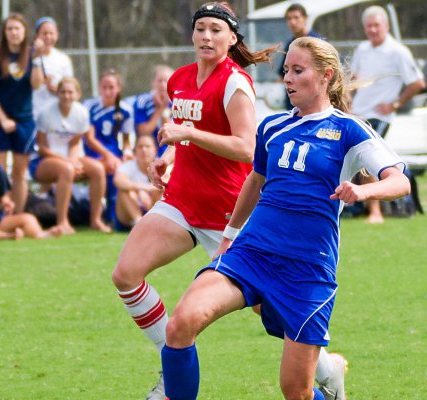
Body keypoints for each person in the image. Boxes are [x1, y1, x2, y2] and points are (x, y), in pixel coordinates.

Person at [162, 36, 409, 400]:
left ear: (325, 76)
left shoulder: (349, 129)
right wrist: (230, 234)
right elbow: (255, 181)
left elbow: (400, 181)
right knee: (180, 325)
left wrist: (363, 191)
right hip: (251, 253)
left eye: (297, 70)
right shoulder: (272, 126)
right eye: (286, 71)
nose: (287, 79)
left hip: (306, 269)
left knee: (296, 391)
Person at [108, 4, 273, 399]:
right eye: (200, 28)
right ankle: (173, 366)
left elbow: (246, 147)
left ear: (232, 39)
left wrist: (188, 135)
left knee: (271, 312)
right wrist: (168, 157)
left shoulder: (235, 83)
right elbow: (185, 137)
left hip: (227, 212)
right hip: (181, 202)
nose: (206, 36)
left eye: (216, 29)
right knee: (126, 275)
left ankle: (326, 370)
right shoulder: (180, 79)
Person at [349, 5, 425, 224]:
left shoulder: (397, 51)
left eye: (376, 25)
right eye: (369, 26)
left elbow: (417, 83)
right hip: (358, 113)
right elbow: (354, 77)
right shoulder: (363, 49)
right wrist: (347, 100)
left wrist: (395, 104)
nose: (372, 30)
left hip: (379, 116)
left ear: (386, 26)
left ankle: (376, 212)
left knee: (366, 157)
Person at [0, 12, 44, 215]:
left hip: (23, 120)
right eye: (10, 29)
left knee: (19, 172)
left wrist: (37, 60)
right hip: (0, 121)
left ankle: (18, 216)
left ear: (25, 32)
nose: (14, 33)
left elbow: (36, 84)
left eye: (17, 28)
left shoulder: (32, 56)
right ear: (4, 33)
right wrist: (3, 119)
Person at [33, 77, 108, 233]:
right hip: (45, 160)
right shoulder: (46, 113)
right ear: (57, 94)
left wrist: (74, 160)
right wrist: (69, 162)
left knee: (98, 169)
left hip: (69, 159)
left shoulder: (81, 112)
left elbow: (75, 143)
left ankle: (95, 220)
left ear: (77, 94)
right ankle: (62, 222)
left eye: (70, 92)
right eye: (62, 92)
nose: (66, 96)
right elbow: (41, 148)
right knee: (66, 169)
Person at [82, 69, 135, 228]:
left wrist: (127, 152)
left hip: (114, 154)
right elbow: (89, 138)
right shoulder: (89, 106)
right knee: (113, 167)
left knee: (120, 170)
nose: (107, 91)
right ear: (99, 88)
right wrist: (108, 155)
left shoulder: (125, 110)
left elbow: (126, 140)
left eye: (111, 87)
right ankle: (100, 217)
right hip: (92, 154)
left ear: (118, 88)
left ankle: (115, 217)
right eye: (104, 87)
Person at [276, 3, 325, 110]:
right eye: (289, 19)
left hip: (313, 107)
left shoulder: (318, 42)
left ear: (305, 19)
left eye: (296, 18)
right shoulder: (290, 45)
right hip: (292, 106)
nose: (292, 22)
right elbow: (282, 74)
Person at [112, 136, 162, 231]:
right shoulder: (128, 166)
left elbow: (169, 182)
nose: (144, 150)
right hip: (127, 215)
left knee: (163, 190)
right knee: (124, 190)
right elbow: (118, 180)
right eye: (140, 147)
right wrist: (140, 190)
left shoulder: (162, 165)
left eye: (147, 146)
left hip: (152, 207)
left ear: (155, 150)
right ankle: (138, 222)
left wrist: (149, 190)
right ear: (135, 151)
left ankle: (158, 222)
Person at [31, 16, 74, 121]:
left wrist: (58, 90)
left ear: (57, 35)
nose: (48, 37)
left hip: (57, 115)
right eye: (44, 33)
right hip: (34, 113)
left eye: (51, 33)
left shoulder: (63, 59)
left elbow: (70, 86)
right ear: (37, 36)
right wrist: (41, 81)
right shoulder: (28, 56)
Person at [129, 65, 174, 156]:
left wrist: (164, 112)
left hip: (169, 151)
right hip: (146, 152)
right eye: (159, 80)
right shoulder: (142, 101)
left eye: (166, 81)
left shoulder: (177, 102)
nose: (162, 84)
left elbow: (170, 136)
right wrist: (159, 110)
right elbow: (143, 132)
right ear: (153, 83)